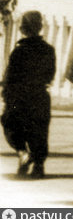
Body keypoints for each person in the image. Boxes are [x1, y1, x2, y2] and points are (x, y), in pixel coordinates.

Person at [2, 10, 56, 178]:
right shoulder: (48, 50)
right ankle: (39, 165)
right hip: (40, 95)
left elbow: (10, 76)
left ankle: (22, 152)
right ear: (39, 27)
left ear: (23, 29)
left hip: (19, 96)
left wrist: (6, 94)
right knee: (39, 130)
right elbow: (50, 74)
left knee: (11, 125)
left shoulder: (19, 51)